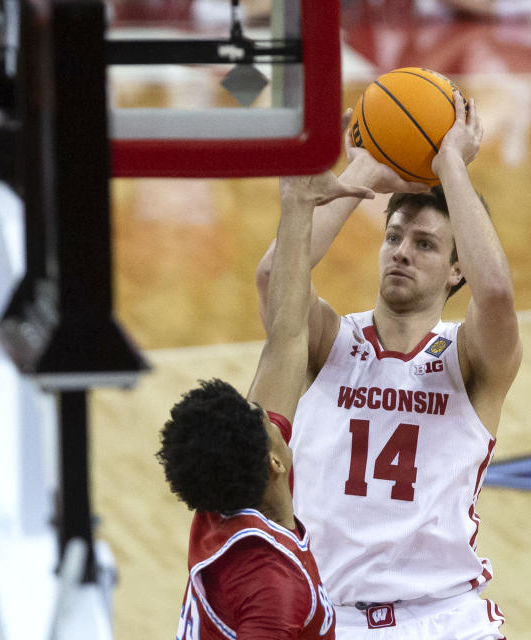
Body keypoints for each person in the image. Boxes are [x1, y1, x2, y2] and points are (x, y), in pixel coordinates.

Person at [255, 91, 521, 638]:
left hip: (444, 618)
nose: (401, 251)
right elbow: (273, 276)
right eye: (394, 236)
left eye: (426, 245)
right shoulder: (328, 340)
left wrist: (449, 164)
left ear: (455, 271)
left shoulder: (469, 358)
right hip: (331, 617)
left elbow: (495, 291)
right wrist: (367, 166)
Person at [157, 171, 375, 639]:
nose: (269, 410)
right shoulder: (270, 586)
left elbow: (287, 337)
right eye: (263, 419)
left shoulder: (224, 504)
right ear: (274, 461)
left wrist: (299, 202)